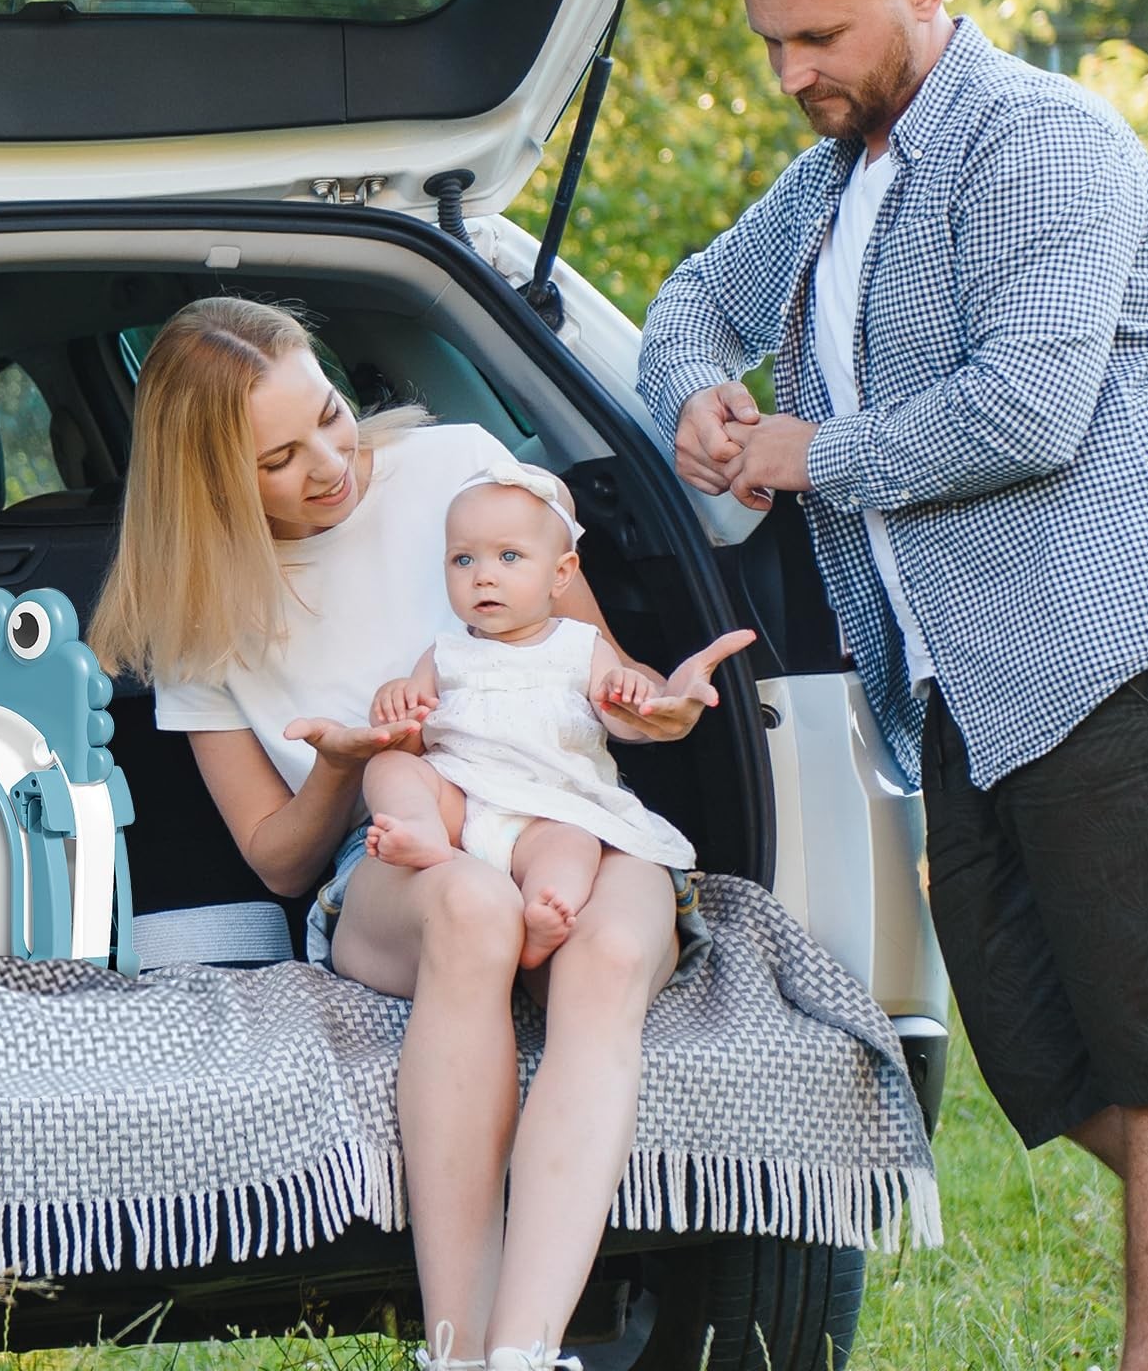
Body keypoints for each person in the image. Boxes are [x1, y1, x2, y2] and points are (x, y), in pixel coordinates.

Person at [635, 0, 1148, 1371]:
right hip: (948, 696)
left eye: (822, 35)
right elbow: (686, 305)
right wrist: (701, 404)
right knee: (1044, 1062)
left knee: (1142, 1041)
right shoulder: (831, 181)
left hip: (1100, 659)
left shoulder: (1046, 143)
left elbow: (1031, 411)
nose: (793, 70)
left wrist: (809, 453)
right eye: (774, 41)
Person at [89, 296, 753, 1371]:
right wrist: (345, 765)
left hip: (566, 807)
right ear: (209, 482)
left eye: (331, 417)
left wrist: (654, 706)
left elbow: (592, 673)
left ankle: (522, 1353)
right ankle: (454, 1351)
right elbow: (278, 857)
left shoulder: (459, 465)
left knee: (617, 949)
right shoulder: (197, 615)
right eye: (279, 457)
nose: (329, 463)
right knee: (474, 909)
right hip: (393, 857)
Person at [361, 461, 703, 973]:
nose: (484, 576)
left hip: (552, 807)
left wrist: (632, 698)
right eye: (462, 560)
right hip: (464, 799)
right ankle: (420, 829)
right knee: (387, 770)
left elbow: (623, 724)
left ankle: (545, 913)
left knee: (574, 845)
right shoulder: (444, 653)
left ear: (560, 574)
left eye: (509, 556)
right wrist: (394, 703)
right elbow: (410, 737)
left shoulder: (580, 646)